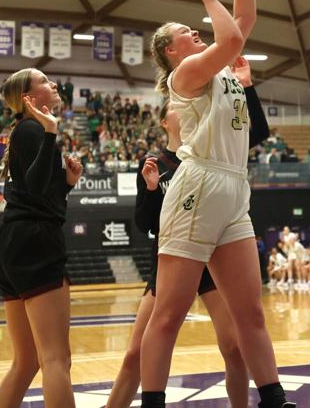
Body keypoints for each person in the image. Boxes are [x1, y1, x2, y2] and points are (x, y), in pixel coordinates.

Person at [138, 0, 293, 408]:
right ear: (170, 50)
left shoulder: (223, 68)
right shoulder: (184, 76)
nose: (194, 29)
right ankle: (153, 403)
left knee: (250, 312)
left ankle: (273, 400)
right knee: (169, 313)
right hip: (197, 184)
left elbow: (243, 19)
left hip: (233, 186)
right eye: (185, 31)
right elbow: (231, 33)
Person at [108, 83, 268, 407]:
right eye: (173, 108)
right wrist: (152, 191)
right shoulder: (155, 164)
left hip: (213, 263)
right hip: (171, 259)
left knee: (234, 347)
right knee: (135, 354)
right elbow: (145, 224)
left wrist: (247, 88)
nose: (181, 108)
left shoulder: (214, 151)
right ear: (165, 122)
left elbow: (258, 131)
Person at [0, 68, 83, 408]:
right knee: (57, 359)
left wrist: (66, 185)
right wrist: (50, 132)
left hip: (11, 244)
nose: (54, 83)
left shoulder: (25, 131)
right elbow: (33, 188)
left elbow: (39, 192)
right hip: (34, 243)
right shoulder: (33, 128)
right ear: (29, 98)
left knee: (27, 361)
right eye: (44, 81)